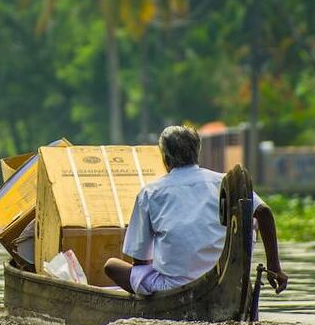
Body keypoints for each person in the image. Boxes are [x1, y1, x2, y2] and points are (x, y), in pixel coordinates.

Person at [104, 125, 289, 296]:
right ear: (196, 154)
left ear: (165, 159)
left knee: (111, 266)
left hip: (172, 288)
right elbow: (263, 212)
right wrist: (274, 267)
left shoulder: (150, 193)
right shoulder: (223, 182)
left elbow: (140, 261)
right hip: (228, 281)